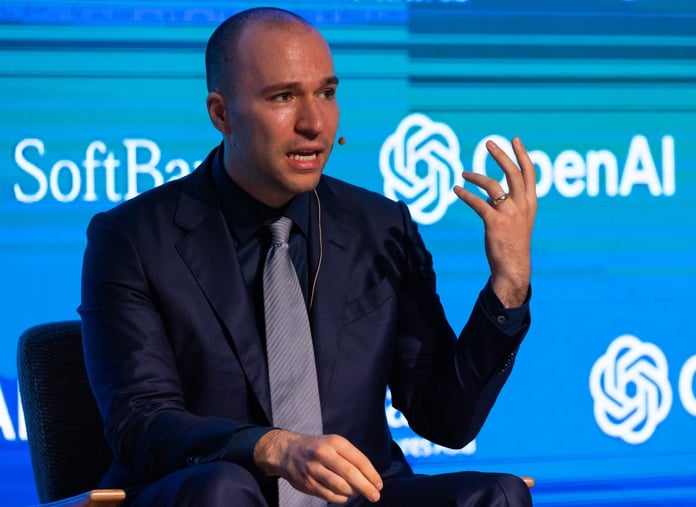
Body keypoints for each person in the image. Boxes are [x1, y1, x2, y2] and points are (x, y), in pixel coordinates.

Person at [79, 6, 537, 507]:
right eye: (283, 97)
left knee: (498, 494)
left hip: (356, 498)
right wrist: (270, 447)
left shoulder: (381, 227)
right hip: (214, 493)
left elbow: (445, 419)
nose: (314, 123)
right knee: (224, 489)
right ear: (221, 114)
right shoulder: (133, 238)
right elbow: (141, 422)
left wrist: (509, 284)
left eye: (326, 93)